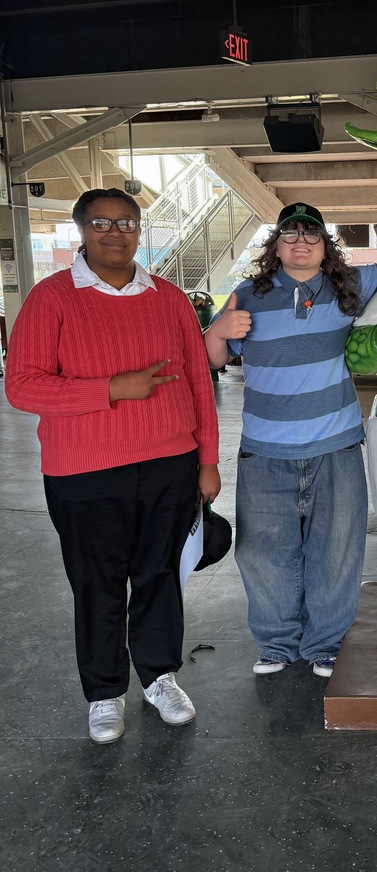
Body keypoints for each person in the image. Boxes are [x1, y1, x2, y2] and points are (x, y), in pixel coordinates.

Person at [5, 188, 220, 744]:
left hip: (170, 463)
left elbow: (199, 382)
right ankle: (104, 693)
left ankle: (159, 677)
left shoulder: (170, 298)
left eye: (127, 222)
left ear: (139, 230)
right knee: (97, 585)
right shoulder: (51, 299)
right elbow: (22, 386)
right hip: (84, 472)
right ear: (82, 229)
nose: (115, 232)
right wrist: (112, 389)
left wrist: (208, 462)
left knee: (158, 578)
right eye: (102, 222)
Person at [204, 202, 377, 678]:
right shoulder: (247, 294)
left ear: (325, 246)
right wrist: (217, 330)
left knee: (336, 549)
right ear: (276, 245)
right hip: (264, 451)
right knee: (262, 552)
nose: (300, 241)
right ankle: (276, 643)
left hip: (334, 447)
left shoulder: (349, 288)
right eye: (290, 234)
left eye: (310, 234)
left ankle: (326, 644)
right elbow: (212, 359)